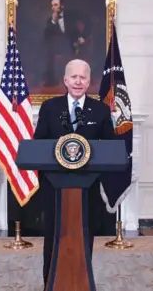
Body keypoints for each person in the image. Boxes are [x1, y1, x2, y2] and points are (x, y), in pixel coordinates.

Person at [33, 59, 116, 285]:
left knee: (83, 239)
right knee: (53, 240)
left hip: (86, 190)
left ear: (89, 81)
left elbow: (110, 147)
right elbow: (38, 143)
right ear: (66, 80)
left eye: (83, 77)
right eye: (74, 77)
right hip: (55, 190)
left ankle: (81, 284)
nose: (78, 82)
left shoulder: (100, 110)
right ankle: (49, 284)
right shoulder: (50, 108)